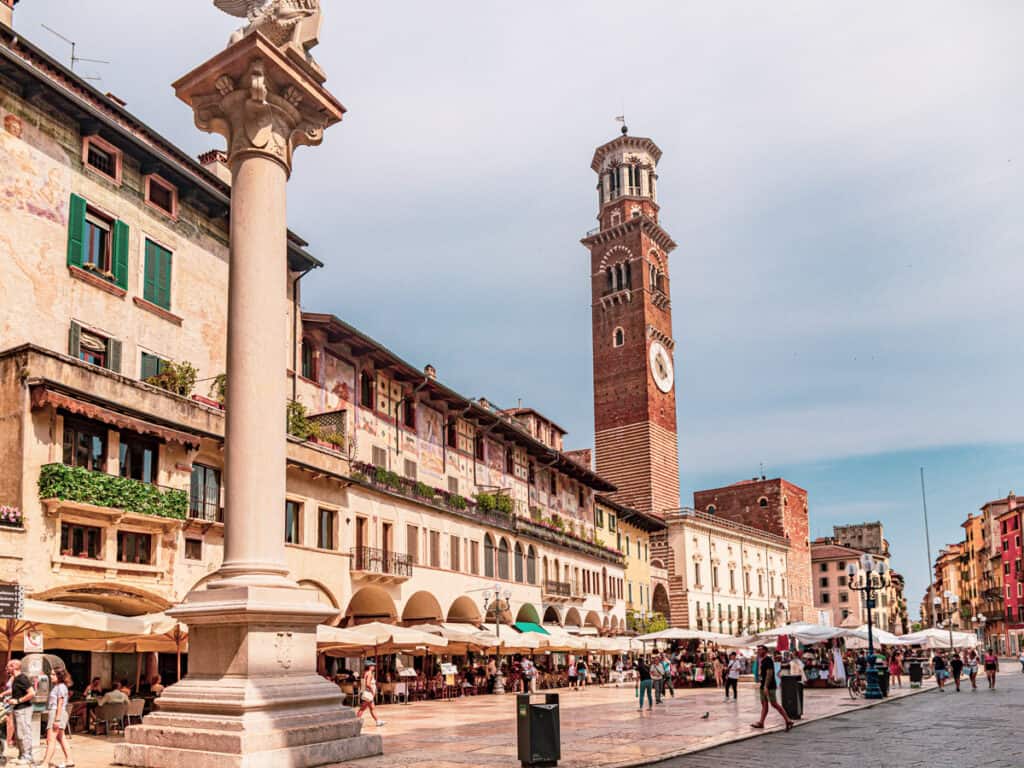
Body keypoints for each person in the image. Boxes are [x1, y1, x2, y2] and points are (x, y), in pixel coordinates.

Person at [750, 646, 793, 732]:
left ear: (765, 651)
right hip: (763, 685)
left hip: (769, 686)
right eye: (757, 650)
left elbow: (770, 673)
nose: (758, 651)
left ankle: (788, 720)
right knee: (764, 704)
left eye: (760, 650)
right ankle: (761, 722)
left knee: (774, 704)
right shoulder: (762, 660)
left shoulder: (768, 660)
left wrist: (766, 686)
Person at [41, 668, 73, 768]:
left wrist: (57, 719)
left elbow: (60, 703)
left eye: (53, 674)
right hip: (57, 712)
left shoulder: (61, 687)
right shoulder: (58, 686)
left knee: (50, 739)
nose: (51, 676)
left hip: (57, 713)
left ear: (59, 676)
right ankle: (69, 760)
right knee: (60, 737)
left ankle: (45, 763)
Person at [6, 659, 36, 764]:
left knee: (24, 733)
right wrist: (4, 695)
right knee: (19, 734)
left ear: (14, 667)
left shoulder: (22, 678)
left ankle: (27, 757)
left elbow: (32, 693)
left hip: (24, 709)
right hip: (18, 709)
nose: (6, 668)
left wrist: (18, 700)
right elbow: (15, 690)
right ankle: (21, 755)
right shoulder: (16, 678)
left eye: (8, 666)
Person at [355, 660, 385, 727]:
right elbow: (368, 684)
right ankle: (356, 722)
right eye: (372, 665)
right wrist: (372, 691)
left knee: (372, 708)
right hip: (368, 693)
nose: (374, 666)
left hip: (365, 692)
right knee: (362, 708)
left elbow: (361, 683)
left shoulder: (364, 673)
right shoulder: (369, 673)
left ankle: (378, 721)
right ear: (369, 666)